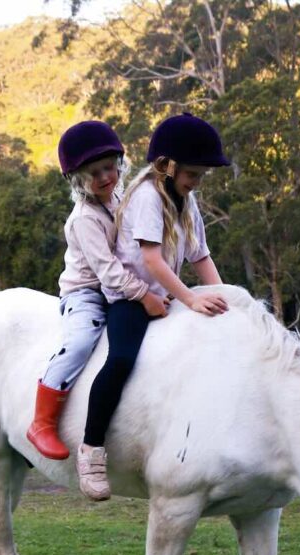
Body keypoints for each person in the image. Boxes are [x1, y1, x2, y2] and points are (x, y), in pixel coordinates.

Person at [76, 113, 231, 501]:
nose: (195, 182)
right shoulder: (147, 195)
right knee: (122, 359)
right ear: (166, 166)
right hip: (131, 296)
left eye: (200, 176)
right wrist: (192, 298)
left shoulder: (186, 201)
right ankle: (91, 448)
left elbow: (200, 255)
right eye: (191, 174)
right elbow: (152, 261)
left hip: (163, 295)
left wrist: (228, 299)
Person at [27, 121, 167, 460]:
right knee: (78, 343)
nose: (105, 177)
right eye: (94, 173)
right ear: (78, 180)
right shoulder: (83, 219)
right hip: (87, 292)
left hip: (119, 288)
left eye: (109, 167)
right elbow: (108, 272)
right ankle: (41, 422)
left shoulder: (122, 197)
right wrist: (146, 296)